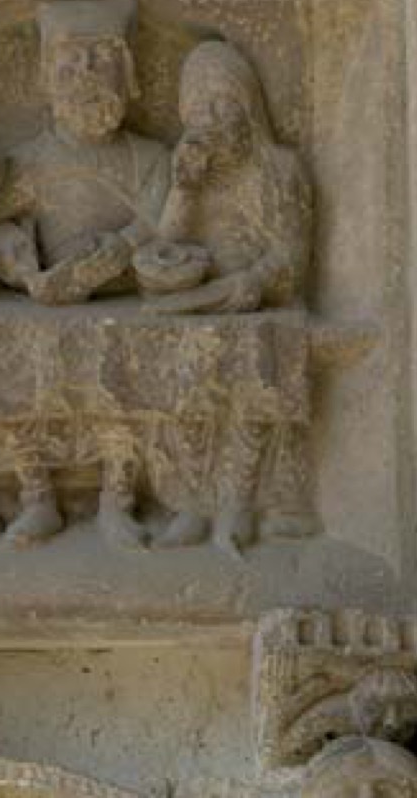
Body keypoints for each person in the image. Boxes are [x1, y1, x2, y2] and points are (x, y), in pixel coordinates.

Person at [0, 0, 170, 549]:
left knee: (131, 367)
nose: (86, 75)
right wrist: (17, 257)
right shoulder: (28, 161)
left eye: (101, 58)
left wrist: (118, 250)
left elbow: (166, 224)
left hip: (127, 301)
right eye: (71, 60)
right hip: (48, 301)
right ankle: (37, 495)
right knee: (11, 357)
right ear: (46, 77)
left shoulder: (150, 159)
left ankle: (118, 499)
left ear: (127, 75)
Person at [146, 40, 315, 553]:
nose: (213, 119)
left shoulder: (279, 169)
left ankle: (238, 500)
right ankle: (192, 501)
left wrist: (254, 282)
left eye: (224, 103)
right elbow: (165, 248)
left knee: (254, 361)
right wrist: (184, 189)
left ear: (248, 105)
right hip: (203, 300)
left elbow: (293, 255)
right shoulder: (191, 171)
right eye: (200, 109)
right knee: (177, 364)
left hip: (265, 302)